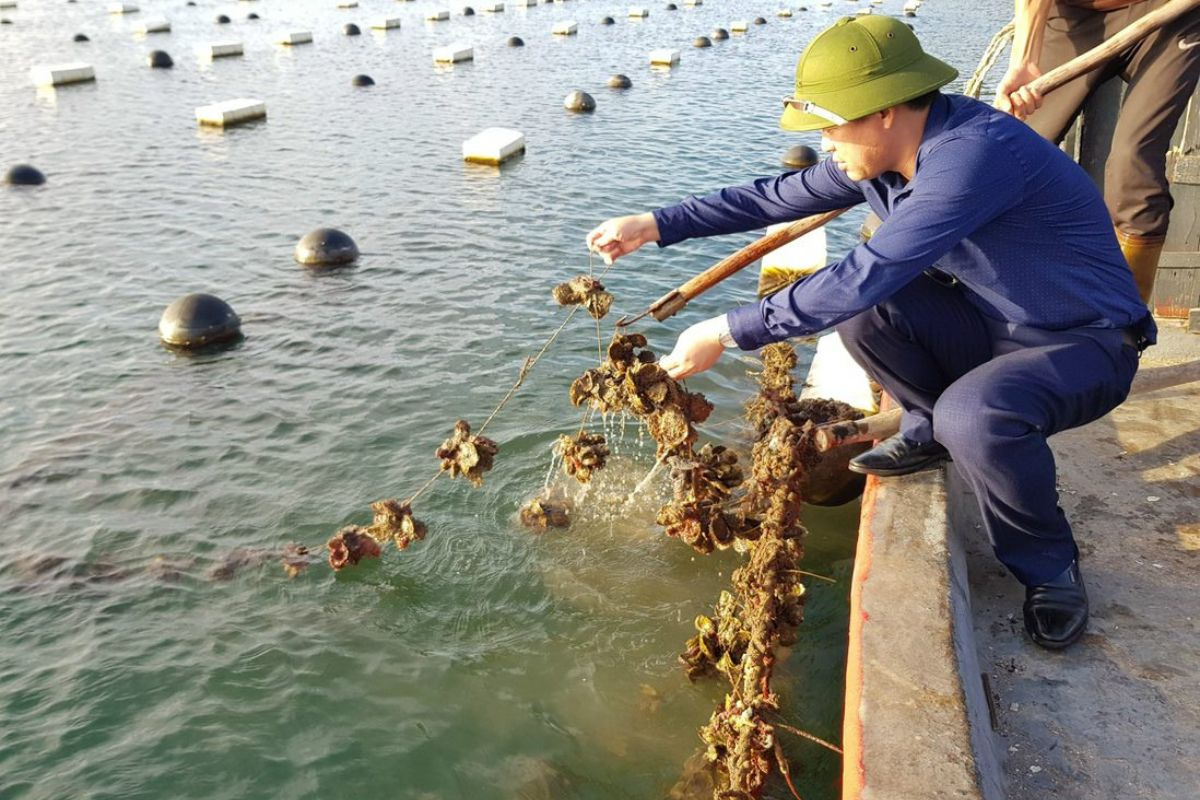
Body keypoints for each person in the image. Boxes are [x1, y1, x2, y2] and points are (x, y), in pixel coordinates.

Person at [585, 15, 1156, 650]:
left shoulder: (971, 157)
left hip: (1084, 344)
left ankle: (1050, 566)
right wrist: (656, 224)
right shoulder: (883, 155)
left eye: (832, 124)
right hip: (992, 327)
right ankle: (924, 428)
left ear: (884, 112)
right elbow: (771, 197)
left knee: (971, 410)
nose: (825, 142)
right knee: (864, 316)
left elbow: (868, 270)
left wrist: (725, 329)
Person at [995, 0, 1200, 303]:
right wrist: (1024, 59)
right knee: (1010, 157)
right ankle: (1007, 309)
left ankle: (1125, 327)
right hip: (1073, 17)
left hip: (1173, 14)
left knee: (1133, 161)